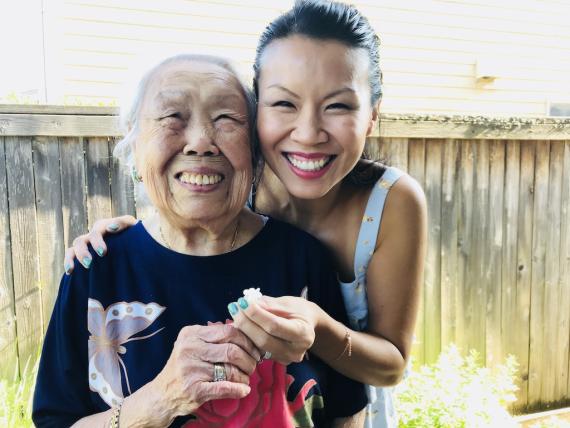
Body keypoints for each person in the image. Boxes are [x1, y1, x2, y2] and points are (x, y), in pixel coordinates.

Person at [63, 1, 427, 427]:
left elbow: (389, 366)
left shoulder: (385, 206)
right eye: (284, 104)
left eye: (339, 106)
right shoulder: (230, 187)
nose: (308, 133)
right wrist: (126, 238)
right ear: (258, 114)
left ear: (372, 116)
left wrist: (318, 328)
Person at [32, 53, 368, 428]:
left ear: (255, 151)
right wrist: (159, 400)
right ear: (135, 142)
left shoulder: (303, 260)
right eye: (172, 117)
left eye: (226, 119)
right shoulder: (95, 267)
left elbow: (347, 409)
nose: (200, 142)